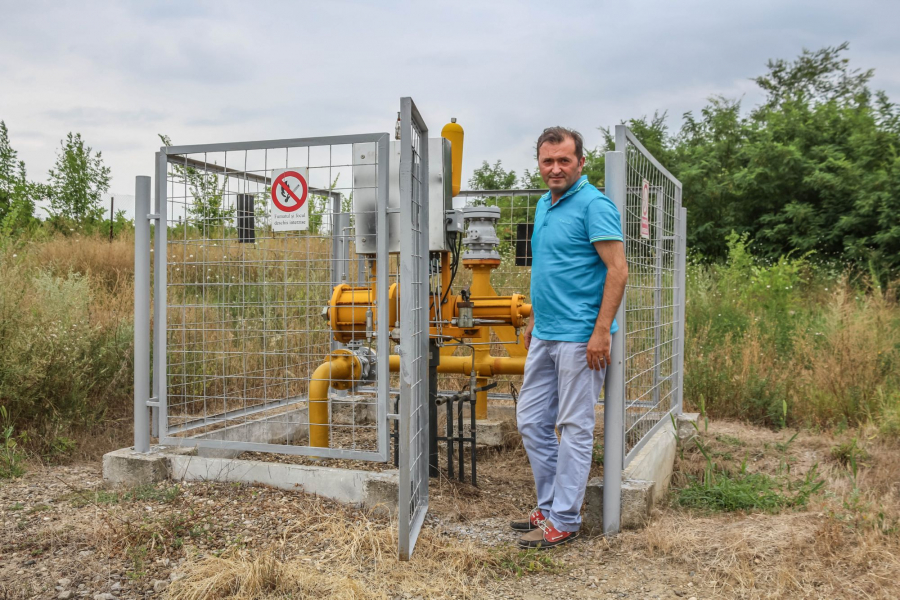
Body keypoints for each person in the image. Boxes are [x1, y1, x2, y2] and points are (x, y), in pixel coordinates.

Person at [513, 126, 628, 549]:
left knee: (575, 427)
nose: (556, 168)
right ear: (539, 164)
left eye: (564, 160)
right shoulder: (545, 203)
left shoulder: (594, 205)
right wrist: (533, 319)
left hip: (582, 338)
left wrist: (601, 332)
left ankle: (565, 518)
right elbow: (550, 269)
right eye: (548, 161)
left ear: (581, 162)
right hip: (545, 333)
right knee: (530, 420)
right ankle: (548, 507)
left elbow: (618, 270)